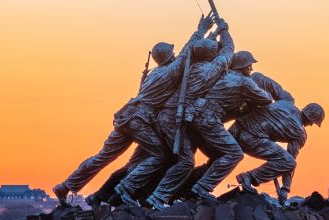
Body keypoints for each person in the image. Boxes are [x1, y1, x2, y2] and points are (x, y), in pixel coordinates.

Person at [51, 15, 213, 206]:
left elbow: (187, 54)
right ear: (169, 56)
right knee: (160, 155)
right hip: (140, 120)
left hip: (126, 116)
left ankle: (65, 186)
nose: (176, 54)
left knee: (103, 156)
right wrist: (201, 29)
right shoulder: (169, 73)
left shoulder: (154, 73)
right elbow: (187, 52)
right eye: (173, 52)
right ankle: (126, 188)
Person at [143, 18, 235, 209]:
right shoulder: (210, 70)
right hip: (171, 118)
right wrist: (224, 31)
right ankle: (158, 197)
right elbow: (228, 51)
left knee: (176, 159)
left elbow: (191, 49)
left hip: (168, 116)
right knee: (185, 161)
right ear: (211, 55)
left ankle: (157, 195)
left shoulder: (185, 65)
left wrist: (208, 33)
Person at [177, 50, 273, 203]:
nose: (251, 70)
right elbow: (266, 99)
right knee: (235, 154)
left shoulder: (221, 75)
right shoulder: (245, 82)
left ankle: (185, 187)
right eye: (250, 66)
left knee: (217, 155)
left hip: (194, 116)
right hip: (208, 119)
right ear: (244, 67)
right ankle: (202, 187)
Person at [229, 73, 325, 205]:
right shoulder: (299, 134)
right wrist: (285, 189)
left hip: (236, 128)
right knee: (289, 162)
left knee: (218, 156)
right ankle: (249, 177)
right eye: (313, 123)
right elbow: (289, 163)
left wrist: (251, 100)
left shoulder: (287, 99)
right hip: (250, 139)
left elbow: (258, 77)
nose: (311, 125)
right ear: (312, 121)